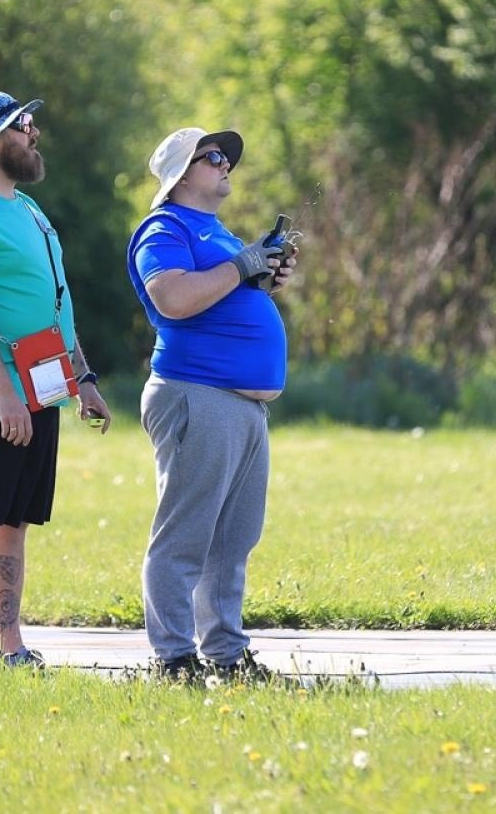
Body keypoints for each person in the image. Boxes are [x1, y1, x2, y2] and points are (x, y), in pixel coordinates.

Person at [0, 90, 112, 666]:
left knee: (14, 521)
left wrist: (82, 378)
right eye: (23, 125)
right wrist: (4, 392)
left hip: (45, 386)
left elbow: (55, 306)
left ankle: (9, 647)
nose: (34, 134)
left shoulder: (28, 209)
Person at [126, 126, 298, 684]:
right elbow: (173, 298)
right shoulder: (166, 227)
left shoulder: (214, 231)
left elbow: (223, 294)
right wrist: (242, 267)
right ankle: (173, 658)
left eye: (227, 158)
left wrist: (262, 278)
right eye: (214, 157)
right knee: (186, 535)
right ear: (182, 173)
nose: (227, 165)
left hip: (239, 405)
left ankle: (225, 656)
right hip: (196, 395)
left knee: (233, 539)